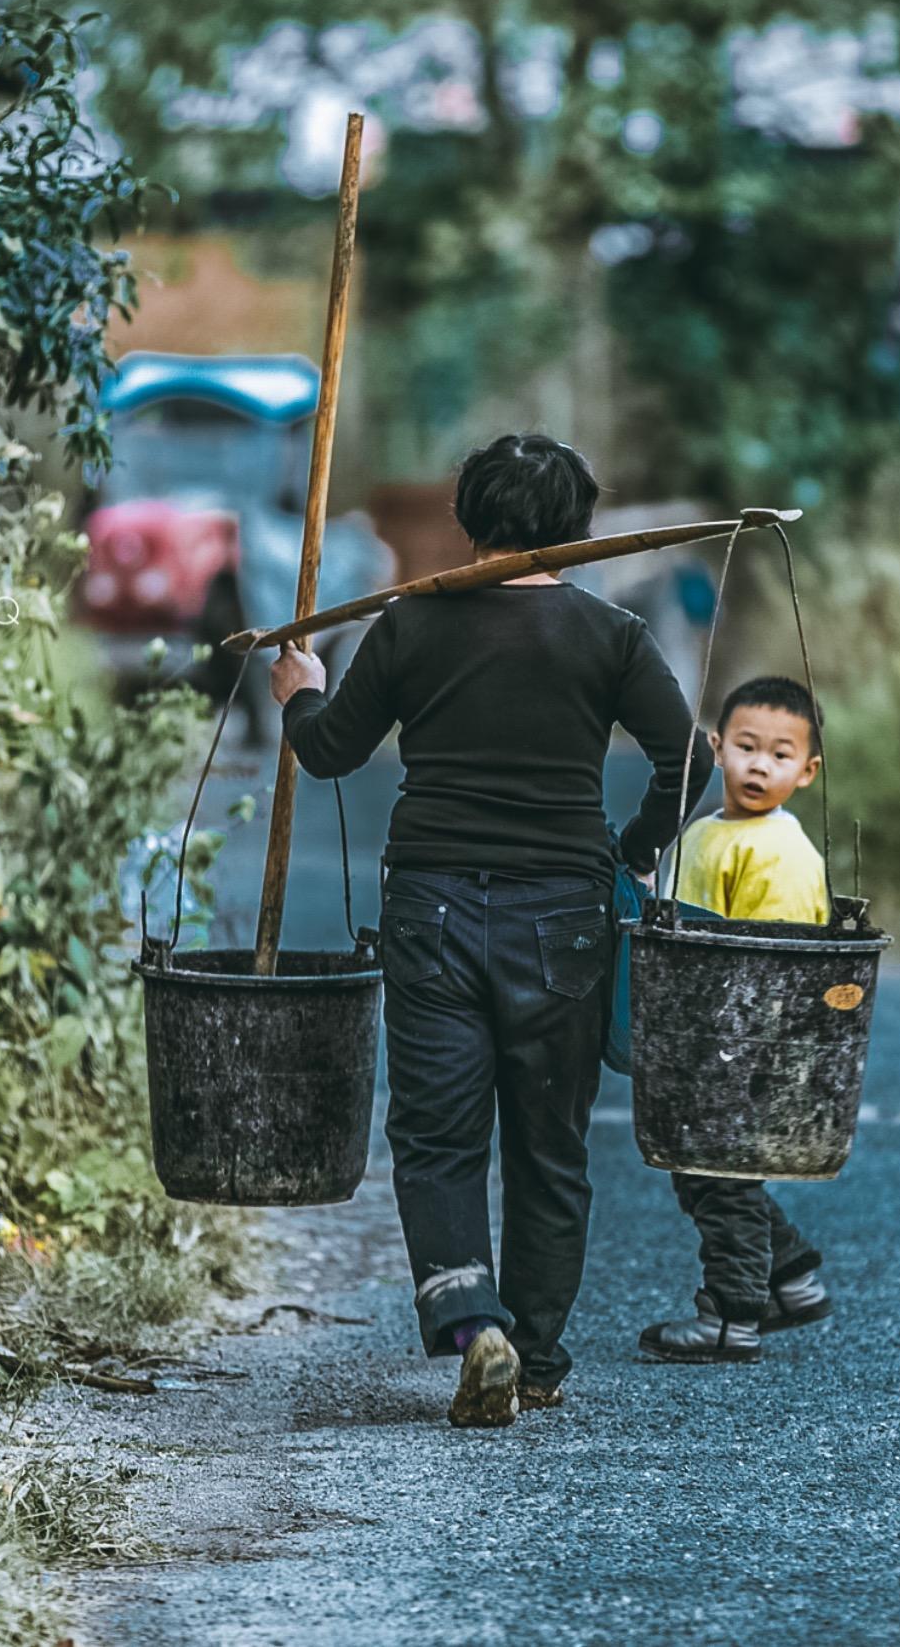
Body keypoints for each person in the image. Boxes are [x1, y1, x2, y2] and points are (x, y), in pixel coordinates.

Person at [270, 434, 712, 1428]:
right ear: (579, 528)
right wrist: (633, 850)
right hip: (564, 914)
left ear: (468, 519)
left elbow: (330, 752)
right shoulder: (610, 633)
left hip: (430, 908)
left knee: (436, 1137)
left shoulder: (411, 623)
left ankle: (478, 1330)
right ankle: (543, 1359)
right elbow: (688, 762)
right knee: (549, 1145)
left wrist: (299, 692)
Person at [638, 675, 834, 1365]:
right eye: (746, 746)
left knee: (719, 1175)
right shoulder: (705, 834)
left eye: (780, 754)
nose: (759, 764)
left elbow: (772, 964)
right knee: (703, 1168)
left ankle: (732, 1312)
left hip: (746, 1040)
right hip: (700, 1035)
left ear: (807, 771)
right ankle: (792, 1275)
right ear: (716, 748)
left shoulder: (779, 851)